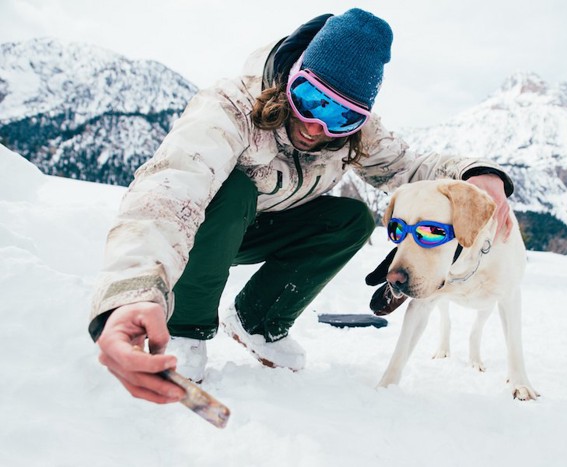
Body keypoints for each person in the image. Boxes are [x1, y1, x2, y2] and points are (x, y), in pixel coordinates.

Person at [89, 8, 515, 404]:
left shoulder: (355, 138)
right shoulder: (231, 108)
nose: (317, 125)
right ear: (291, 78)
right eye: (311, 100)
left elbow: (412, 167)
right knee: (236, 188)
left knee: (350, 220)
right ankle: (185, 328)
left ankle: (258, 320)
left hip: (264, 230)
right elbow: (169, 191)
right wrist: (132, 295)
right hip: (205, 224)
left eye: (341, 116)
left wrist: (478, 174)